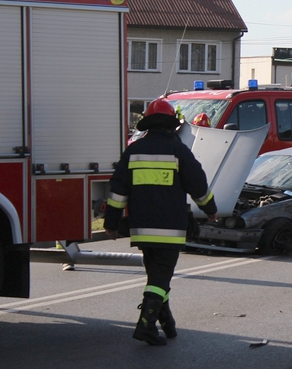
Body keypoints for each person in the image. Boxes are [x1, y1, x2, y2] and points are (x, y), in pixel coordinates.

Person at [104, 98, 218, 346]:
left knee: (157, 277)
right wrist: (211, 210)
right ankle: (145, 327)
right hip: (170, 230)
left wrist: (111, 223)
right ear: (171, 126)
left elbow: (117, 192)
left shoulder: (133, 151)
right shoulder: (179, 151)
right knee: (159, 279)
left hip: (142, 230)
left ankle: (167, 324)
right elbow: (198, 186)